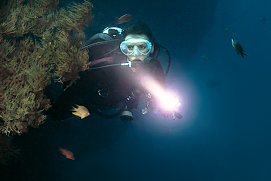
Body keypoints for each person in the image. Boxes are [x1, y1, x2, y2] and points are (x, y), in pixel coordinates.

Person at [49, 19, 180, 121]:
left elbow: (157, 100)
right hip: (84, 97)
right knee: (55, 115)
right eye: (129, 47)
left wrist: (166, 108)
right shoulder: (106, 59)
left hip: (107, 106)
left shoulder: (154, 68)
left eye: (142, 47)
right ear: (122, 47)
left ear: (151, 49)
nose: (135, 54)